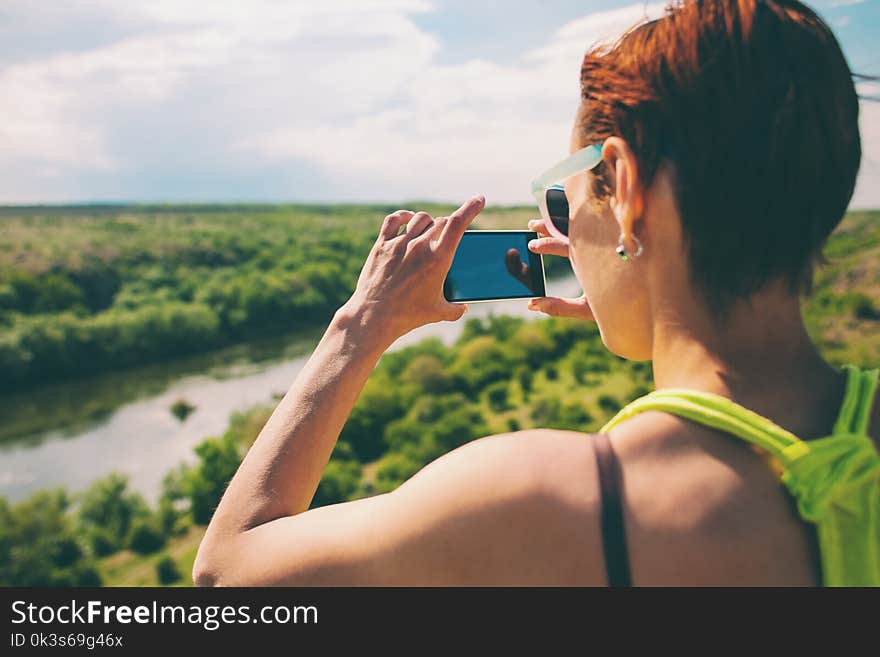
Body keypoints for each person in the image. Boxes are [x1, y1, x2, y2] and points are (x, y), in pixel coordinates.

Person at [193, 0, 878, 586]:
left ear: (624, 183)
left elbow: (228, 570)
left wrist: (358, 327)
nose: (560, 225)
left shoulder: (548, 499)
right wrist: (649, 311)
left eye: (562, 194)